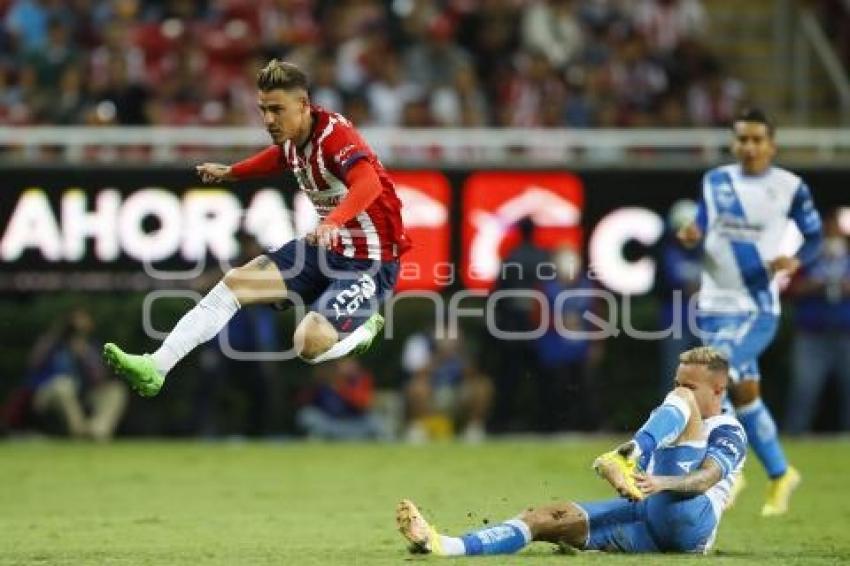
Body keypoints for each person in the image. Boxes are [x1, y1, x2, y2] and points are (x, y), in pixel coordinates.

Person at [103, 59, 410, 397]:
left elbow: (369, 185)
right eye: (263, 109)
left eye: (276, 110)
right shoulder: (296, 134)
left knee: (308, 343)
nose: (268, 120)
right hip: (328, 249)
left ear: (304, 105)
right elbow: (281, 157)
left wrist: (333, 222)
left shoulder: (336, 138)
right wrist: (233, 172)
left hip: (371, 260)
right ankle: (155, 366)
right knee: (235, 283)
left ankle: (363, 331)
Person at [396, 346, 745, 556]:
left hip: (689, 525)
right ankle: (444, 545)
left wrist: (659, 481)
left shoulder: (728, 428)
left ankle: (627, 454)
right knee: (544, 517)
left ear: (719, 389)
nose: (679, 390)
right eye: (676, 383)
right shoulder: (670, 415)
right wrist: (630, 478)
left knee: (674, 411)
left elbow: (705, 479)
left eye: (689, 385)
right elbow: (642, 481)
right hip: (645, 520)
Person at [677, 108, 823, 515]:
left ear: (772, 144)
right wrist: (692, 234)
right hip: (713, 304)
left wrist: (795, 260)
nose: (750, 146)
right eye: (743, 139)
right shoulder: (715, 181)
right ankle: (780, 472)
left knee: (713, 376)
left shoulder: (790, 186)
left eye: (758, 139)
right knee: (744, 395)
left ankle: (727, 467)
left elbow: (812, 236)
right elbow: (703, 227)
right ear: (733, 142)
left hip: (756, 308)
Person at [785, 209, 850, 433]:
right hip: (812, 333)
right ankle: (795, 436)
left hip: (845, 332)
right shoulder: (808, 256)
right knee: (804, 389)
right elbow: (789, 288)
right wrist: (814, 285)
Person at [21, 309, 127, 440]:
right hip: (48, 393)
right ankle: (79, 431)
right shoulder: (51, 343)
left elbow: (100, 378)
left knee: (116, 390)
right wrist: (56, 337)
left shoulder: (90, 346)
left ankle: (97, 430)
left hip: (83, 394)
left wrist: (85, 356)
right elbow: (33, 365)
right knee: (63, 384)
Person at [296, 358, 386, 441]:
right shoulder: (321, 382)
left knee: (375, 421)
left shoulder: (359, 380)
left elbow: (362, 404)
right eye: (343, 364)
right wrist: (318, 383)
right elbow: (303, 402)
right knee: (307, 415)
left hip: (353, 423)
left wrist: (342, 388)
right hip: (330, 423)